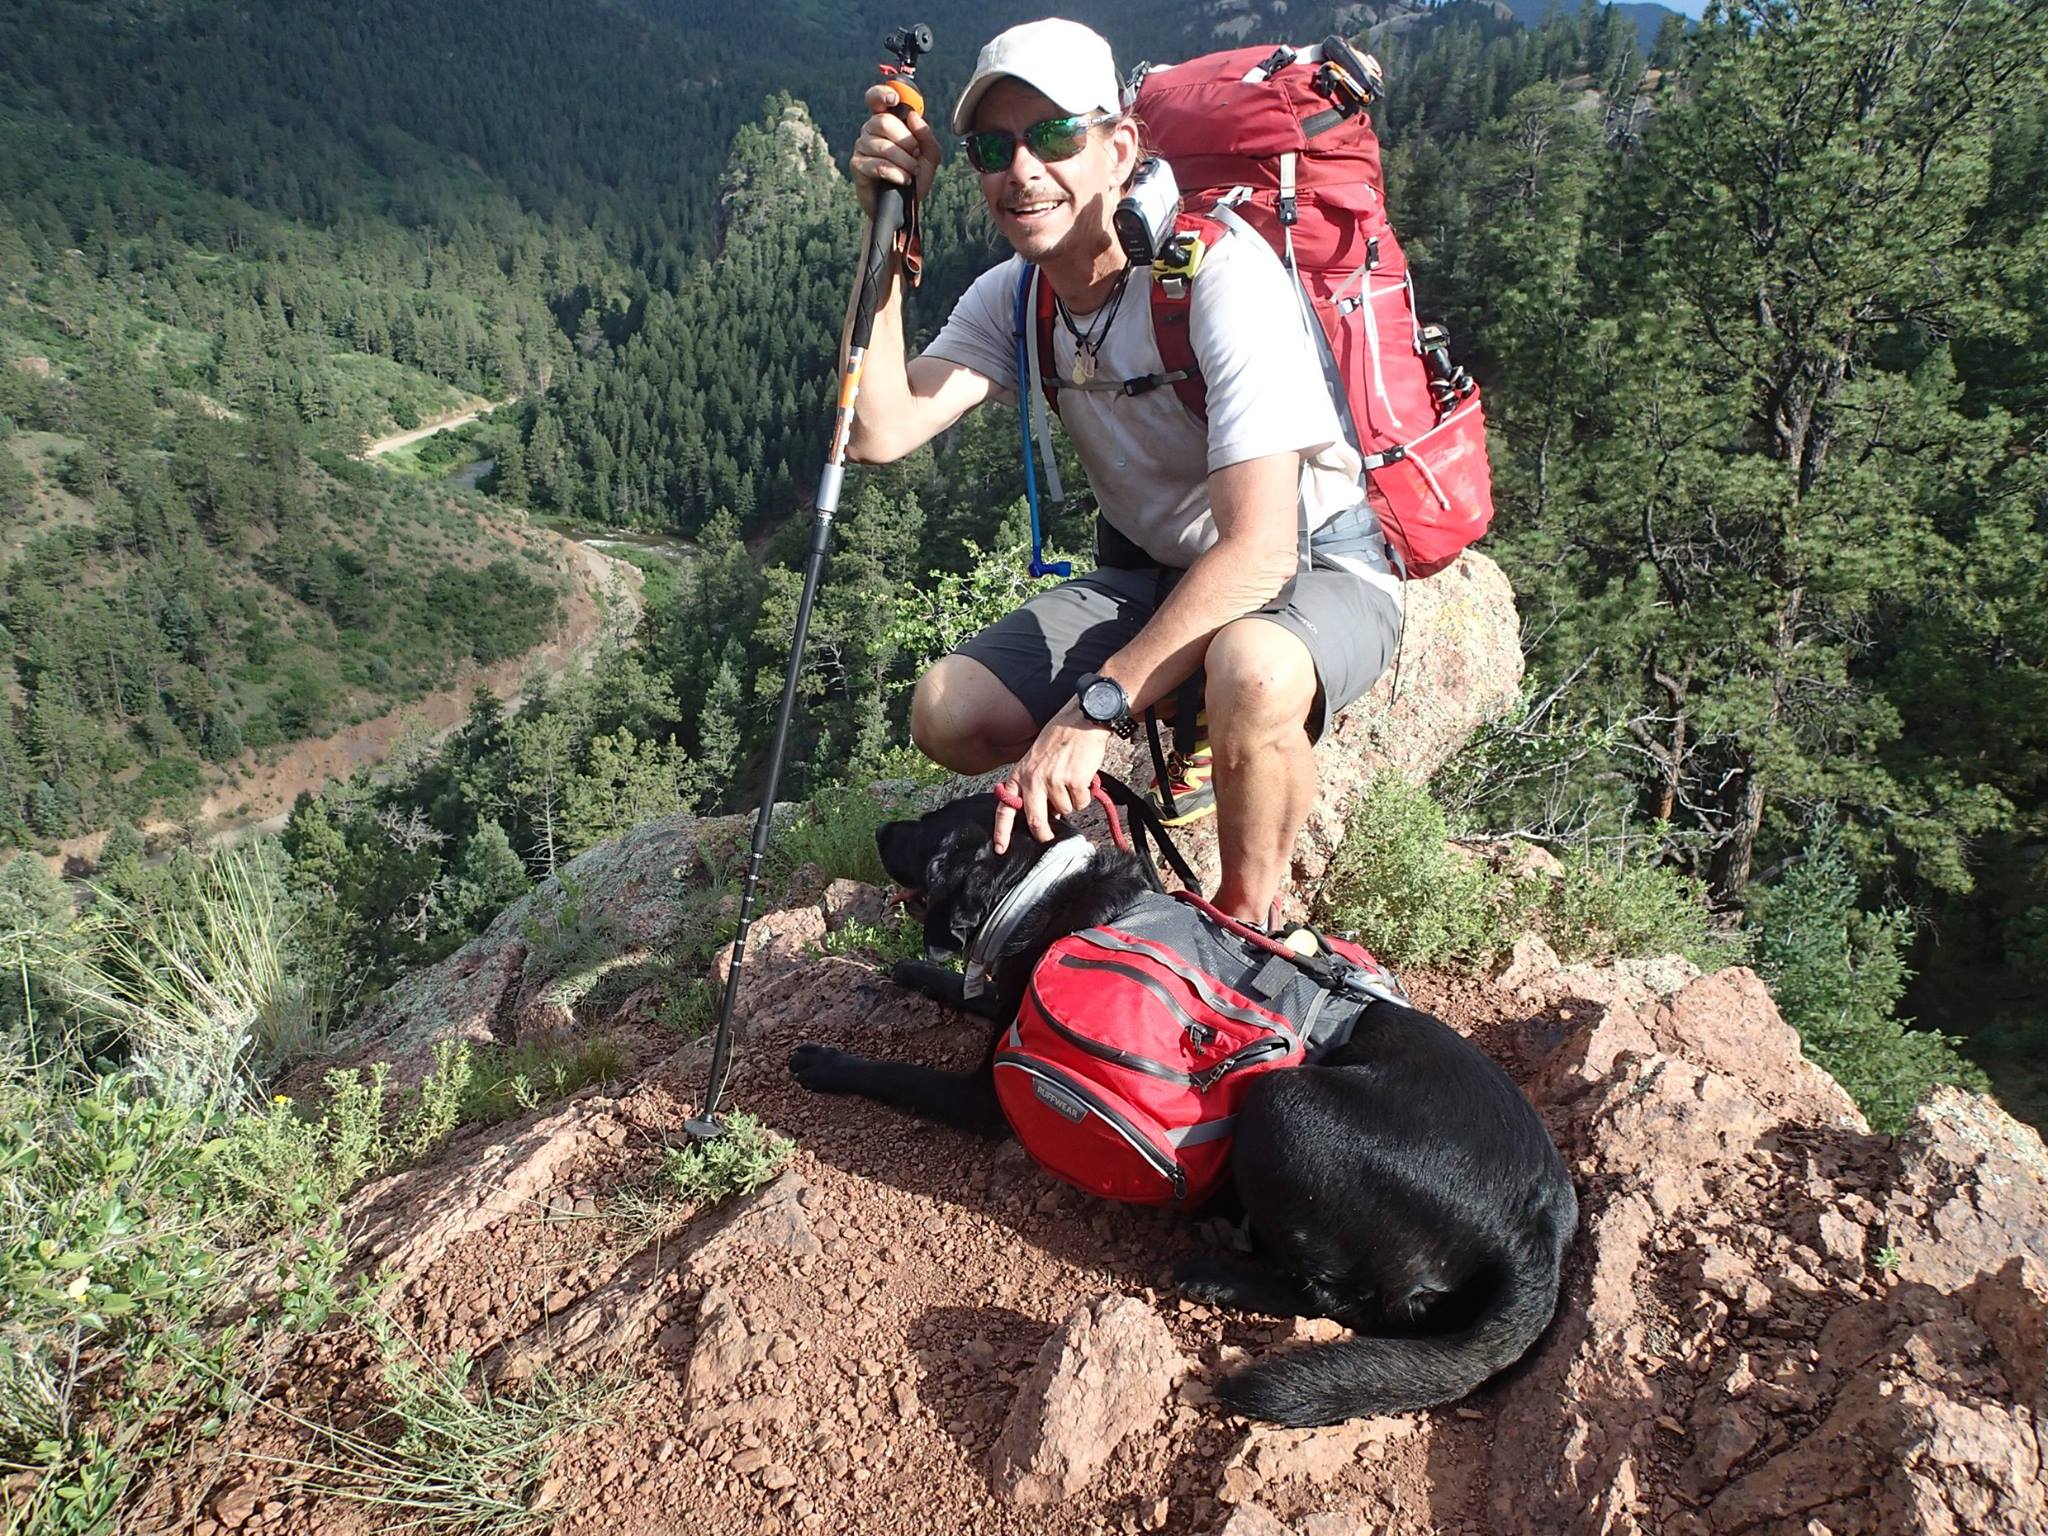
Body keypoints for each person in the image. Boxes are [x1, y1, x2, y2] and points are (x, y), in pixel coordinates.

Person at [843, 17, 1402, 927]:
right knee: (948, 711)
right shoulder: (1016, 297)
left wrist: (1096, 707)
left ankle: (1242, 924)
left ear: (1119, 148)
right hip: (1153, 574)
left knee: (1253, 666)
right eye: (994, 146)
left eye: (1055, 135)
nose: (1021, 169)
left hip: (1310, 568)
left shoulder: (1218, 278)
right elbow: (880, 429)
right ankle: (1183, 697)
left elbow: (1259, 555)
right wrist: (888, 229)